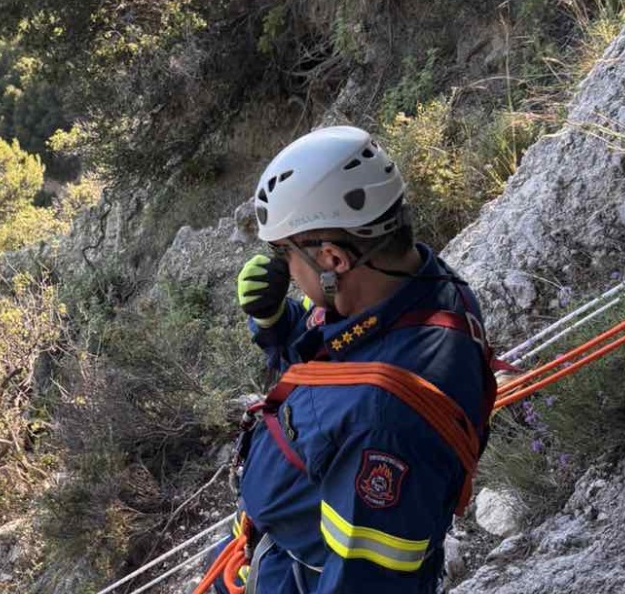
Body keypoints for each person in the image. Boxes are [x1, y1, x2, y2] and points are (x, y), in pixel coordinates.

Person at [202, 126, 497, 594]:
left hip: (296, 575)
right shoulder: (417, 286)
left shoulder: (383, 429)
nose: (284, 268)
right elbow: (336, 367)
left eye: (285, 253)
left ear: (334, 258)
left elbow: (364, 580)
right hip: (276, 547)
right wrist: (277, 323)